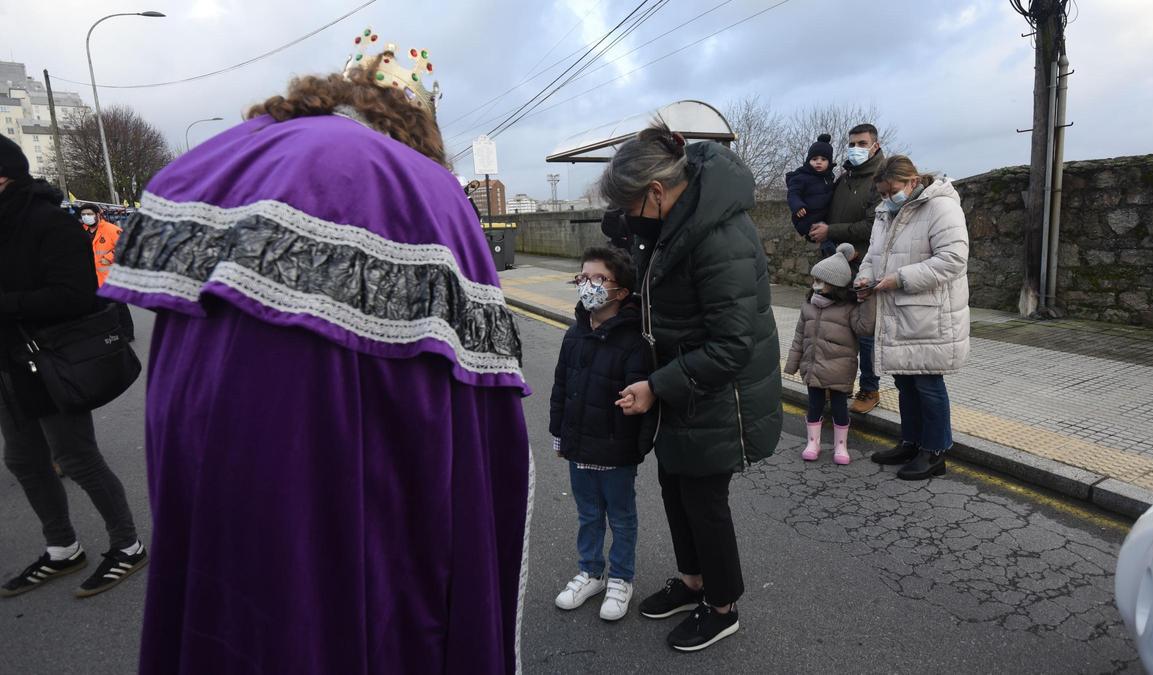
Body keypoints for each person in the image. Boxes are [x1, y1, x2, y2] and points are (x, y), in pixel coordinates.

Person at [97, 30, 532, 674]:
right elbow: (478, 416)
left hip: (205, 450)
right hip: (350, 468)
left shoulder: (228, 157)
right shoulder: (418, 186)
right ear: (418, 123)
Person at [603, 122, 782, 652]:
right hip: (683, 385)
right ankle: (693, 582)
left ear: (657, 191)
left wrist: (658, 386)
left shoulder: (718, 234)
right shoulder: (673, 219)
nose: (630, 217)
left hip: (715, 392)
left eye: (633, 205)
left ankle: (722, 605)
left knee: (704, 501)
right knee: (674, 487)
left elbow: (732, 346)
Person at [0, 134, 147, 600]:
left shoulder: (47, 221)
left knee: (77, 457)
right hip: (8, 364)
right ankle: (63, 548)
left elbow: (77, 295)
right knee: (24, 459)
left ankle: (128, 545)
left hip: (51, 362)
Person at [550, 246, 652, 622]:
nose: (587, 285)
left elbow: (639, 394)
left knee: (622, 517)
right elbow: (561, 386)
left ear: (621, 291)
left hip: (615, 450)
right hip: (579, 447)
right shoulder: (574, 333)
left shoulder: (634, 339)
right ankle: (590, 571)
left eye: (598, 279)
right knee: (588, 514)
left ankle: (621, 577)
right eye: (583, 277)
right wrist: (559, 434)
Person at [854, 155, 970, 480]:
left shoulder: (941, 207)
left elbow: (953, 259)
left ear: (912, 181)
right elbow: (874, 255)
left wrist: (899, 278)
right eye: (882, 193)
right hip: (897, 310)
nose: (887, 198)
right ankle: (911, 441)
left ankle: (934, 452)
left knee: (927, 383)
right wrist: (864, 278)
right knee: (905, 381)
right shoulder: (885, 213)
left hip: (930, 312)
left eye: (892, 190)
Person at [808, 123, 887, 415]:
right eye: (852, 143)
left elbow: (872, 225)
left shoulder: (880, 181)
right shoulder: (844, 178)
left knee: (865, 331)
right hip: (836, 265)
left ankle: (869, 388)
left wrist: (831, 231)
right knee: (835, 329)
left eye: (862, 143)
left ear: (875, 146)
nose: (856, 148)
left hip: (864, 266)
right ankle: (835, 384)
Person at [784, 243, 876, 465]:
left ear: (834, 285)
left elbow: (865, 328)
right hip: (813, 365)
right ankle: (813, 443)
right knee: (814, 405)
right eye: (815, 280)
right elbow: (799, 337)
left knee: (839, 407)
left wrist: (868, 300)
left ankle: (840, 446)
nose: (815, 284)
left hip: (840, 369)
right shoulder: (808, 305)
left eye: (820, 281)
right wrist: (791, 364)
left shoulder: (849, 308)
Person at [77, 202, 135, 340]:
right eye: (83, 214)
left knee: (119, 307)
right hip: (93, 278)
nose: (86, 217)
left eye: (89, 214)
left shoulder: (110, 229)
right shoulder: (81, 231)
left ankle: (127, 334)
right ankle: (111, 334)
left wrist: (108, 257)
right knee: (102, 309)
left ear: (98, 215)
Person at [785, 133, 836, 254]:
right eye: (814, 159)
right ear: (808, 161)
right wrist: (798, 206)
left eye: (823, 160)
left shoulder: (828, 178)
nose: (818, 162)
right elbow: (793, 194)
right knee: (827, 239)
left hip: (823, 216)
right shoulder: (801, 177)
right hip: (807, 218)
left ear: (829, 162)